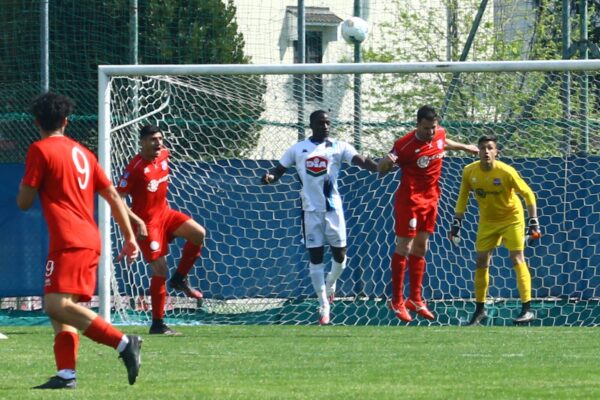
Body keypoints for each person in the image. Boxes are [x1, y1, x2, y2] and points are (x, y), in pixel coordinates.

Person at [17, 92, 142, 389]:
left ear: (37, 122)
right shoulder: (84, 153)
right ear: (66, 121)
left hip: (68, 239)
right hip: (89, 238)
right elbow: (112, 195)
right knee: (65, 309)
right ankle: (66, 375)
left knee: (55, 304)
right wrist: (128, 236)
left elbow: (24, 202)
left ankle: (125, 343)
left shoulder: (40, 150)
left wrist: (27, 185)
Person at [261, 110, 378, 325]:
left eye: (328, 123)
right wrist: (269, 177)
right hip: (310, 212)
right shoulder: (298, 149)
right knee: (315, 258)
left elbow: (361, 160)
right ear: (311, 125)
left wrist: (380, 167)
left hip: (333, 210)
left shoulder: (338, 146)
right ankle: (323, 303)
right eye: (321, 123)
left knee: (340, 256)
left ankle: (331, 282)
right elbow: (278, 170)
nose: (325, 126)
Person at [378, 105, 479, 322]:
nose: (430, 132)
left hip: (431, 198)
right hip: (410, 200)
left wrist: (464, 147)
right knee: (404, 246)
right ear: (417, 125)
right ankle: (396, 300)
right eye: (426, 129)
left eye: (433, 128)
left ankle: (415, 298)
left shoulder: (439, 134)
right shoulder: (404, 145)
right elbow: (383, 167)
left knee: (422, 246)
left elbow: (444, 142)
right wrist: (386, 163)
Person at [117, 124, 206, 336]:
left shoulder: (165, 154)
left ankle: (180, 279)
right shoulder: (134, 168)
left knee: (198, 233)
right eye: (152, 139)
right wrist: (137, 223)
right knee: (160, 270)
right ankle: (158, 324)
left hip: (166, 214)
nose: (158, 143)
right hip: (147, 225)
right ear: (142, 142)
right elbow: (117, 201)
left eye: (160, 138)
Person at [449, 134, 540, 326]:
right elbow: (463, 197)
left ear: (496, 152)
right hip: (487, 222)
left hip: (511, 219)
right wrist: (457, 223)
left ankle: (527, 309)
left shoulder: (507, 172)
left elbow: (528, 194)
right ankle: (480, 310)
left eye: (490, 148)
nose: (486, 151)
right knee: (481, 261)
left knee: (517, 257)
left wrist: (533, 221)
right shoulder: (469, 172)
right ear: (477, 151)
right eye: (482, 148)